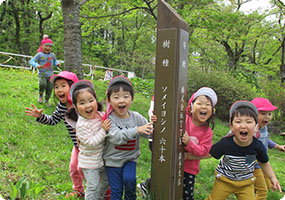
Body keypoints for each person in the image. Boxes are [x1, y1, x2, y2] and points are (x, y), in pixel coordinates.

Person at [25, 71, 85, 198]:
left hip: (90, 146)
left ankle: (101, 191)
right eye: (56, 87)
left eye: (63, 85)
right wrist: (40, 116)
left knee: (85, 169)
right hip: (77, 145)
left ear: (73, 87)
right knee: (74, 168)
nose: (59, 90)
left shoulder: (81, 104)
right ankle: (79, 190)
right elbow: (53, 120)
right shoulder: (62, 106)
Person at [205, 101, 282, 200]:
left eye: (248, 122)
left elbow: (264, 163)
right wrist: (190, 156)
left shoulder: (257, 146)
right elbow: (208, 153)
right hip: (224, 181)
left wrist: (272, 177)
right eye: (238, 122)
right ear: (231, 126)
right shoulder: (225, 143)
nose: (243, 126)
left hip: (246, 183)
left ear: (256, 127)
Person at [103, 75, 154, 200]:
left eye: (126, 96)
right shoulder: (109, 120)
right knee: (116, 191)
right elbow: (116, 137)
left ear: (132, 99)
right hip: (112, 161)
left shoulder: (136, 117)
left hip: (130, 159)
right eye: (116, 97)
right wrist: (136, 130)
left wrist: (153, 124)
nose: (121, 101)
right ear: (109, 100)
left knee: (130, 180)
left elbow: (149, 132)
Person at [68, 80, 111, 200]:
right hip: (89, 163)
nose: (88, 105)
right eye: (82, 103)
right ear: (76, 107)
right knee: (93, 186)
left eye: (91, 101)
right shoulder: (81, 125)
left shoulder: (101, 115)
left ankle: (98, 198)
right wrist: (103, 130)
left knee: (106, 181)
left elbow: (110, 113)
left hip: (102, 159)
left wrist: (109, 98)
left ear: (96, 101)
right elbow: (91, 143)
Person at [182, 87, 217, 200]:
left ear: (212, 111)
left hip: (189, 170)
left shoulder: (207, 132)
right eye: (200, 103)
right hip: (173, 163)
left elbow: (203, 151)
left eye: (207, 104)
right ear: (191, 108)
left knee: (187, 195)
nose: (203, 107)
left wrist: (189, 143)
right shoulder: (183, 120)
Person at [251, 97, 285, 199]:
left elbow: (266, 140)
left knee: (267, 185)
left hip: (264, 164)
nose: (267, 117)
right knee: (263, 191)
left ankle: (247, 189)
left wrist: (278, 147)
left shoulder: (264, 127)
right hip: (255, 164)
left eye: (269, 114)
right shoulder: (252, 130)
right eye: (263, 114)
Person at [30, 35, 60, 106]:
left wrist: (57, 63)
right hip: (42, 74)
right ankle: (40, 95)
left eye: (50, 46)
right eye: (46, 46)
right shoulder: (39, 55)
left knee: (50, 88)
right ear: (42, 46)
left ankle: (47, 100)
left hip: (50, 75)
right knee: (43, 84)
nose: (48, 48)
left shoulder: (52, 55)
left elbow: (55, 61)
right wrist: (36, 65)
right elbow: (32, 61)